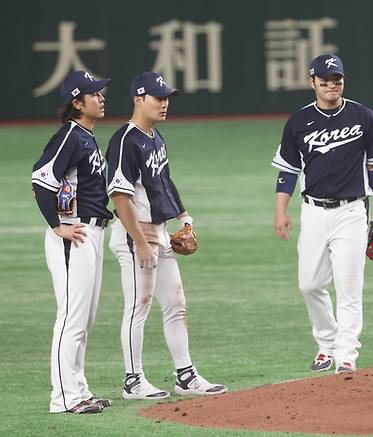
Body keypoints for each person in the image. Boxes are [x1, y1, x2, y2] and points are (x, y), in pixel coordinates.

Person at [271, 54, 373, 373]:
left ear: (343, 81)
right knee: (309, 284)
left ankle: (346, 354)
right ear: (312, 82)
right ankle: (326, 343)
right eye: (325, 80)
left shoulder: (362, 116)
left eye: (337, 80)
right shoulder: (299, 121)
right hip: (313, 212)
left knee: (348, 285)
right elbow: (287, 171)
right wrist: (280, 211)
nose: (332, 85)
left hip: (352, 212)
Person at [105, 72, 226, 399]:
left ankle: (185, 375)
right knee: (138, 307)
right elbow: (119, 197)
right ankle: (133, 380)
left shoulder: (155, 137)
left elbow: (164, 182)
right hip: (135, 235)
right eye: (158, 97)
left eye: (166, 97)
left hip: (158, 231)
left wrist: (184, 218)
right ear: (138, 100)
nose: (164, 103)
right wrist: (141, 242)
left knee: (176, 304)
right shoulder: (124, 141)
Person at [31, 71, 113, 414]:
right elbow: (40, 178)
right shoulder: (69, 136)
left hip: (91, 233)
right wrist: (57, 226)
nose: (102, 97)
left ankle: (79, 389)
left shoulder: (86, 137)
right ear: (77, 103)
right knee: (71, 317)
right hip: (73, 235)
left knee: (85, 318)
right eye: (94, 94)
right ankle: (63, 397)